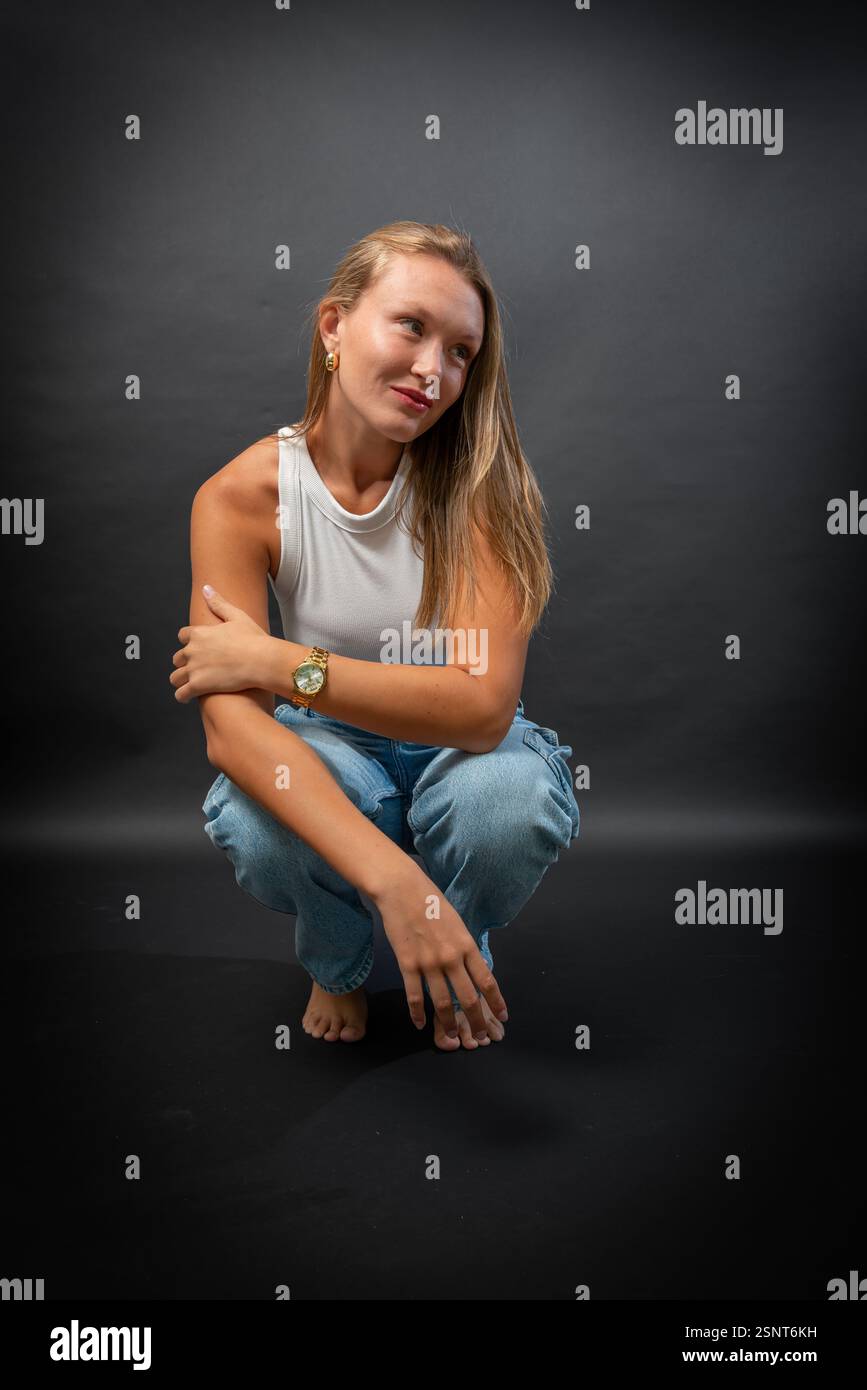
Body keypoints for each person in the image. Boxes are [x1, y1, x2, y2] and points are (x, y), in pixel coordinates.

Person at [169, 220, 580, 1052]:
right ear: (333, 327)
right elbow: (229, 727)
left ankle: (456, 942)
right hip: (330, 749)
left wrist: (281, 662)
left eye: (462, 352)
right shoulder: (241, 496)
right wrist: (394, 882)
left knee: (509, 803)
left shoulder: (478, 487)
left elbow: (480, 713)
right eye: (412, 327)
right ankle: (339, 956)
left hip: (455, 751)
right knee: (255, 816)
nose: (435, 371)